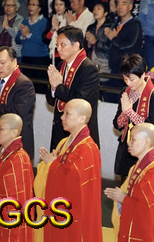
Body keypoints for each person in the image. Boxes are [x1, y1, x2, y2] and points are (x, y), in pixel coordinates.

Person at [34, 99, 101, 242]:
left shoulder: (88, 148)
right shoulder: (64, 143)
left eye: (67, 114)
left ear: (82, 118)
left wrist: (53, 164)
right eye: (63, 113)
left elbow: (74, 181)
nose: (62, 117)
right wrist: (48, 165)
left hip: (75, 214)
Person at [105, 122, 154, 241]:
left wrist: (123, 199)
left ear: (147, 141)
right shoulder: (135, 168)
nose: (129, 143)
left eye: (133, 139)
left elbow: (150, 212)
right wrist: (120, 199)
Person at [0, 114, 34, 242]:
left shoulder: (19, 158)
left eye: (0, 129)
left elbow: (14, 197)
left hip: (10, 223)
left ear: (14, 132)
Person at [46, 26, 100, 150]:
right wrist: (54, 89)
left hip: (79, 133)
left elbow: (80, 101)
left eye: (63, 45)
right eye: (57, 44)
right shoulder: (61, 65)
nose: (58, 48)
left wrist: (58, 87)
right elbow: (51, 100)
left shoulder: (88, 68)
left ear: (76, 46)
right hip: (60, 129)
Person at [0, 46, 35, 159]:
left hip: (15, 144)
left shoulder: (24, 84)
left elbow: (19, 113)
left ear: (14, 61)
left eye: (2, 63)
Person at [113, 54, 154, 179]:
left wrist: (130, 111)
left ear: (143, 74)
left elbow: (153, 126)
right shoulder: (125, 92)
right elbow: (117, 124)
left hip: (145, 149)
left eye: (132, 79)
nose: (128, 83)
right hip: (127, 147)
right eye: (125, 79)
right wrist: (124, 112)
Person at [104, 0, 143, 76]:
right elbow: (109, 44)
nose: (120, 7)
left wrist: (114, 38)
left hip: (128, 67)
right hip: (114, 66)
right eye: (118, 4)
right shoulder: (116, 23)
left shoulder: (135, 24)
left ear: (130, 7)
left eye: (123, 4)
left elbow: (130, 45)